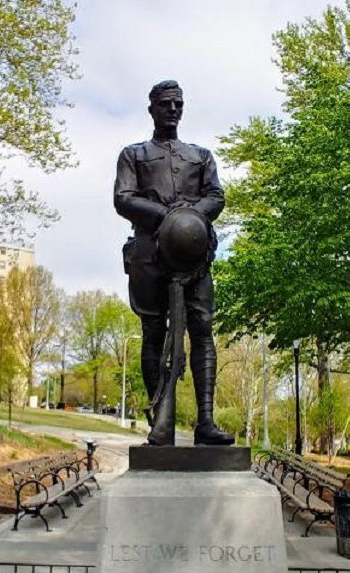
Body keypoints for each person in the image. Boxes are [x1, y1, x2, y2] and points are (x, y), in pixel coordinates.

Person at [113, 80, 234, 446]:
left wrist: (189, 219)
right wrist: (167, 216)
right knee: (153, 334)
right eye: (166, 104)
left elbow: (216, 196)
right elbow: (123, 198)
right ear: (152, 108)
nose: (173, 110)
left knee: (202, 330)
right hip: (150, 255)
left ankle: (206, 422)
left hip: (194, 257)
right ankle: (158, 419)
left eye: (178, 104)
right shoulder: (133, 154)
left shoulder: (201, 156)